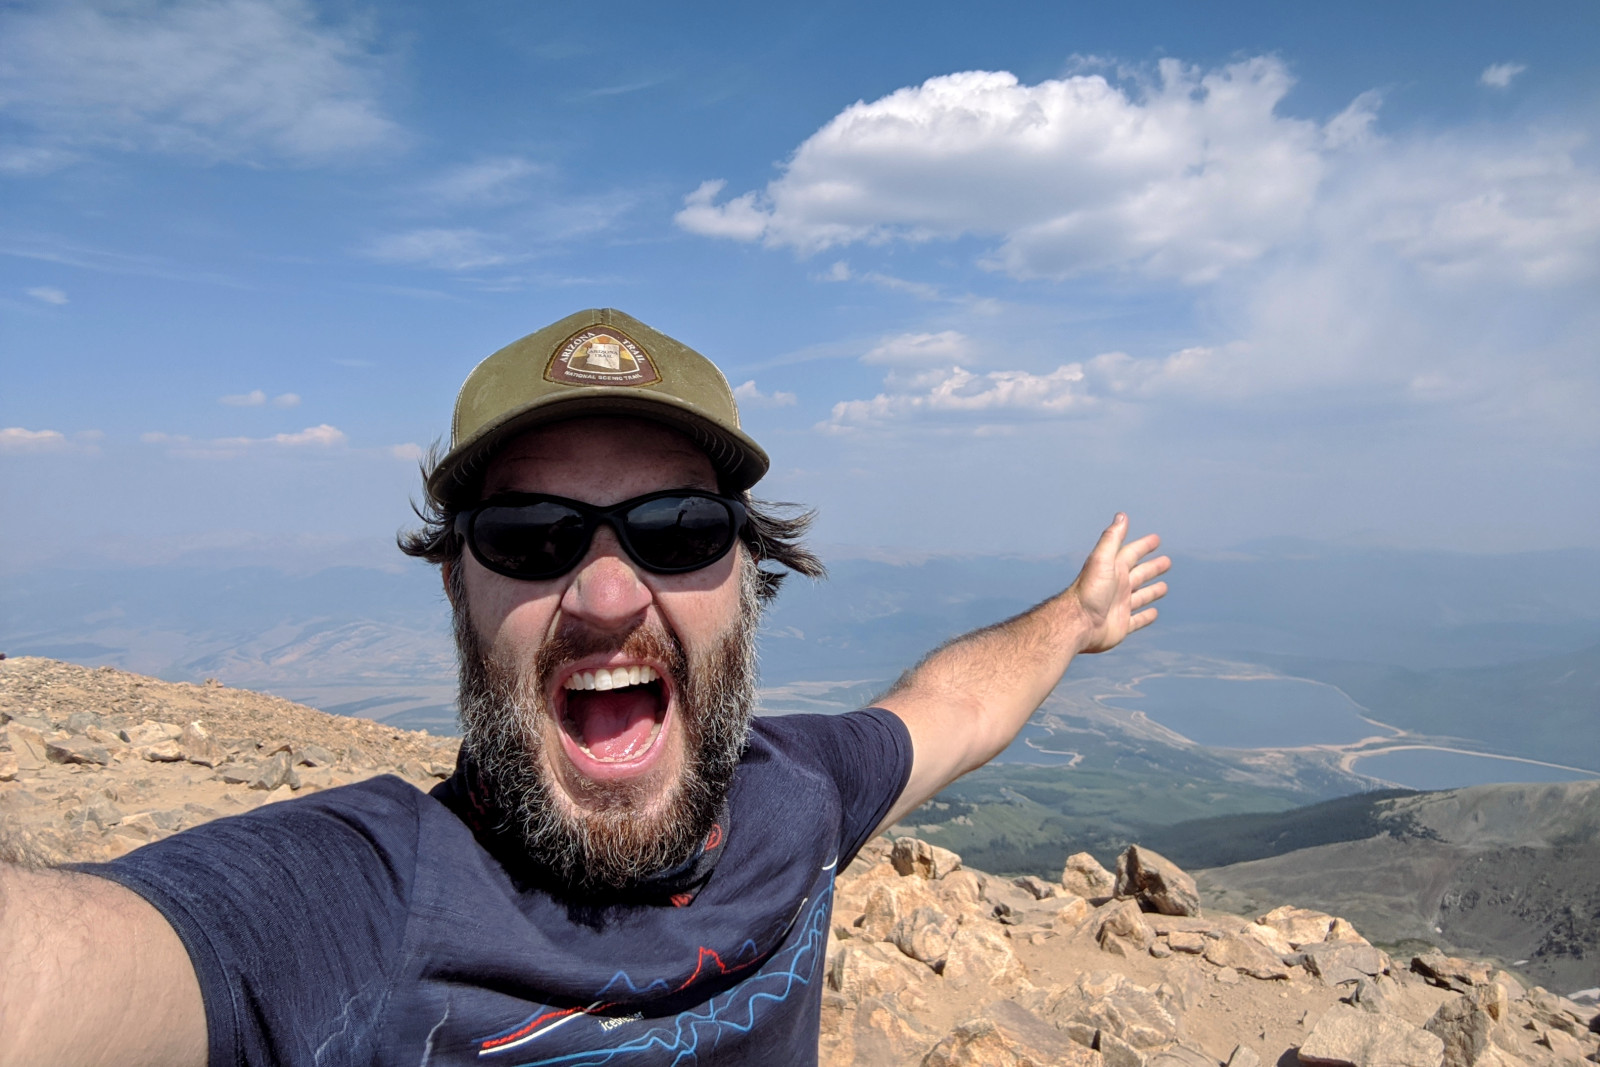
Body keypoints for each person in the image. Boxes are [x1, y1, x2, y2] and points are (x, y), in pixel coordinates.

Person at [0, 308, 1169, 1067]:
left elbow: (954, 708)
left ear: (747, 578)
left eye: (675, 528)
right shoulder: (363, 898)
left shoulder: (798, 794)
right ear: (456, 583)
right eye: (528, 533)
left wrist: (1077, 617)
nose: (607, 594)